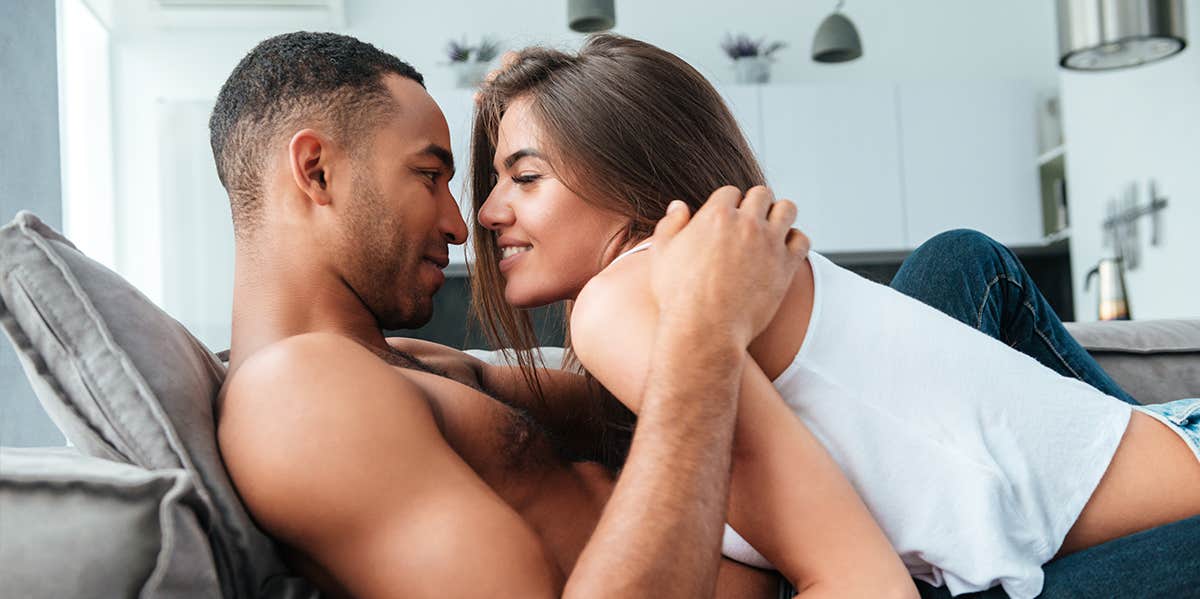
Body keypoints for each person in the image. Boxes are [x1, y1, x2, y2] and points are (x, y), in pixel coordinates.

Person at [469, 34, 1200, 598]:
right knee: (957, 258)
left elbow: (865, 582)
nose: (490, 211)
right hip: (1162, 464)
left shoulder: (618, 301)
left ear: (632, 181)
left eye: (525, 177)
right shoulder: (678, 305)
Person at [211, 31, 809, 599]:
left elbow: (624, 407)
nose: (458, 225)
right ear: (316, 170)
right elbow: (686, 389)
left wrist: (547, 111)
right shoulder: (295, 396)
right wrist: (705, 334)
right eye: (427, 175)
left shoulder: (400, 365)